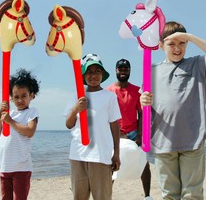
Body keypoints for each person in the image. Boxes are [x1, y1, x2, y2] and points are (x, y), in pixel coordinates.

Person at [140, 21, 206, 199]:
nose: (177, 48)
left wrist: (190, 37)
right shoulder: (151, 70)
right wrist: (143, 101)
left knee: (192, 194)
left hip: (193, 141)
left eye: (182, 43)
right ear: (161, 45)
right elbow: (145, 103)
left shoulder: (197, 64)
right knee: (169, 194)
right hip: (163, 142)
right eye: (171, 44)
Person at [64, 53, 121, 200]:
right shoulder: (77, 95)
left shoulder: (109, 97)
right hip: (78, 155)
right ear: (83, 75)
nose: (93, 75)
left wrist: (116, 153)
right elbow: (69, 124)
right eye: (89, 71)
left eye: (97, 71)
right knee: (79, 196)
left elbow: (114, 126)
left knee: (102, 196)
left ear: (102, 74)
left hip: (101, 155)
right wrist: (76, 109)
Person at [106, 58, 153, 200]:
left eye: (126, 69)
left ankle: (147, 196)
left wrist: (140, 135)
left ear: (129, 71)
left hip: (133, 134)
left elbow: (142, 113)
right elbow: (106, 116)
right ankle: (106, 196)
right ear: (116, 70)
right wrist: (117, 133)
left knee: (144, 164)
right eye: (120, 69)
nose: (123, 71)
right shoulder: (108, 91)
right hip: (114, 134)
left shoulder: (137, 90)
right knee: (111, 167)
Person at [0, 68, 40, 200]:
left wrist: (11, 122)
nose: (20, 100)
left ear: (31, 95)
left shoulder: (31, 112)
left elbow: (30, 132)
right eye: (16, 97)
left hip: (21, 166)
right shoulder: (10, 113)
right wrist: (0, 113)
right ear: (11, 98)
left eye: (24, 96)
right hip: (4, 165)